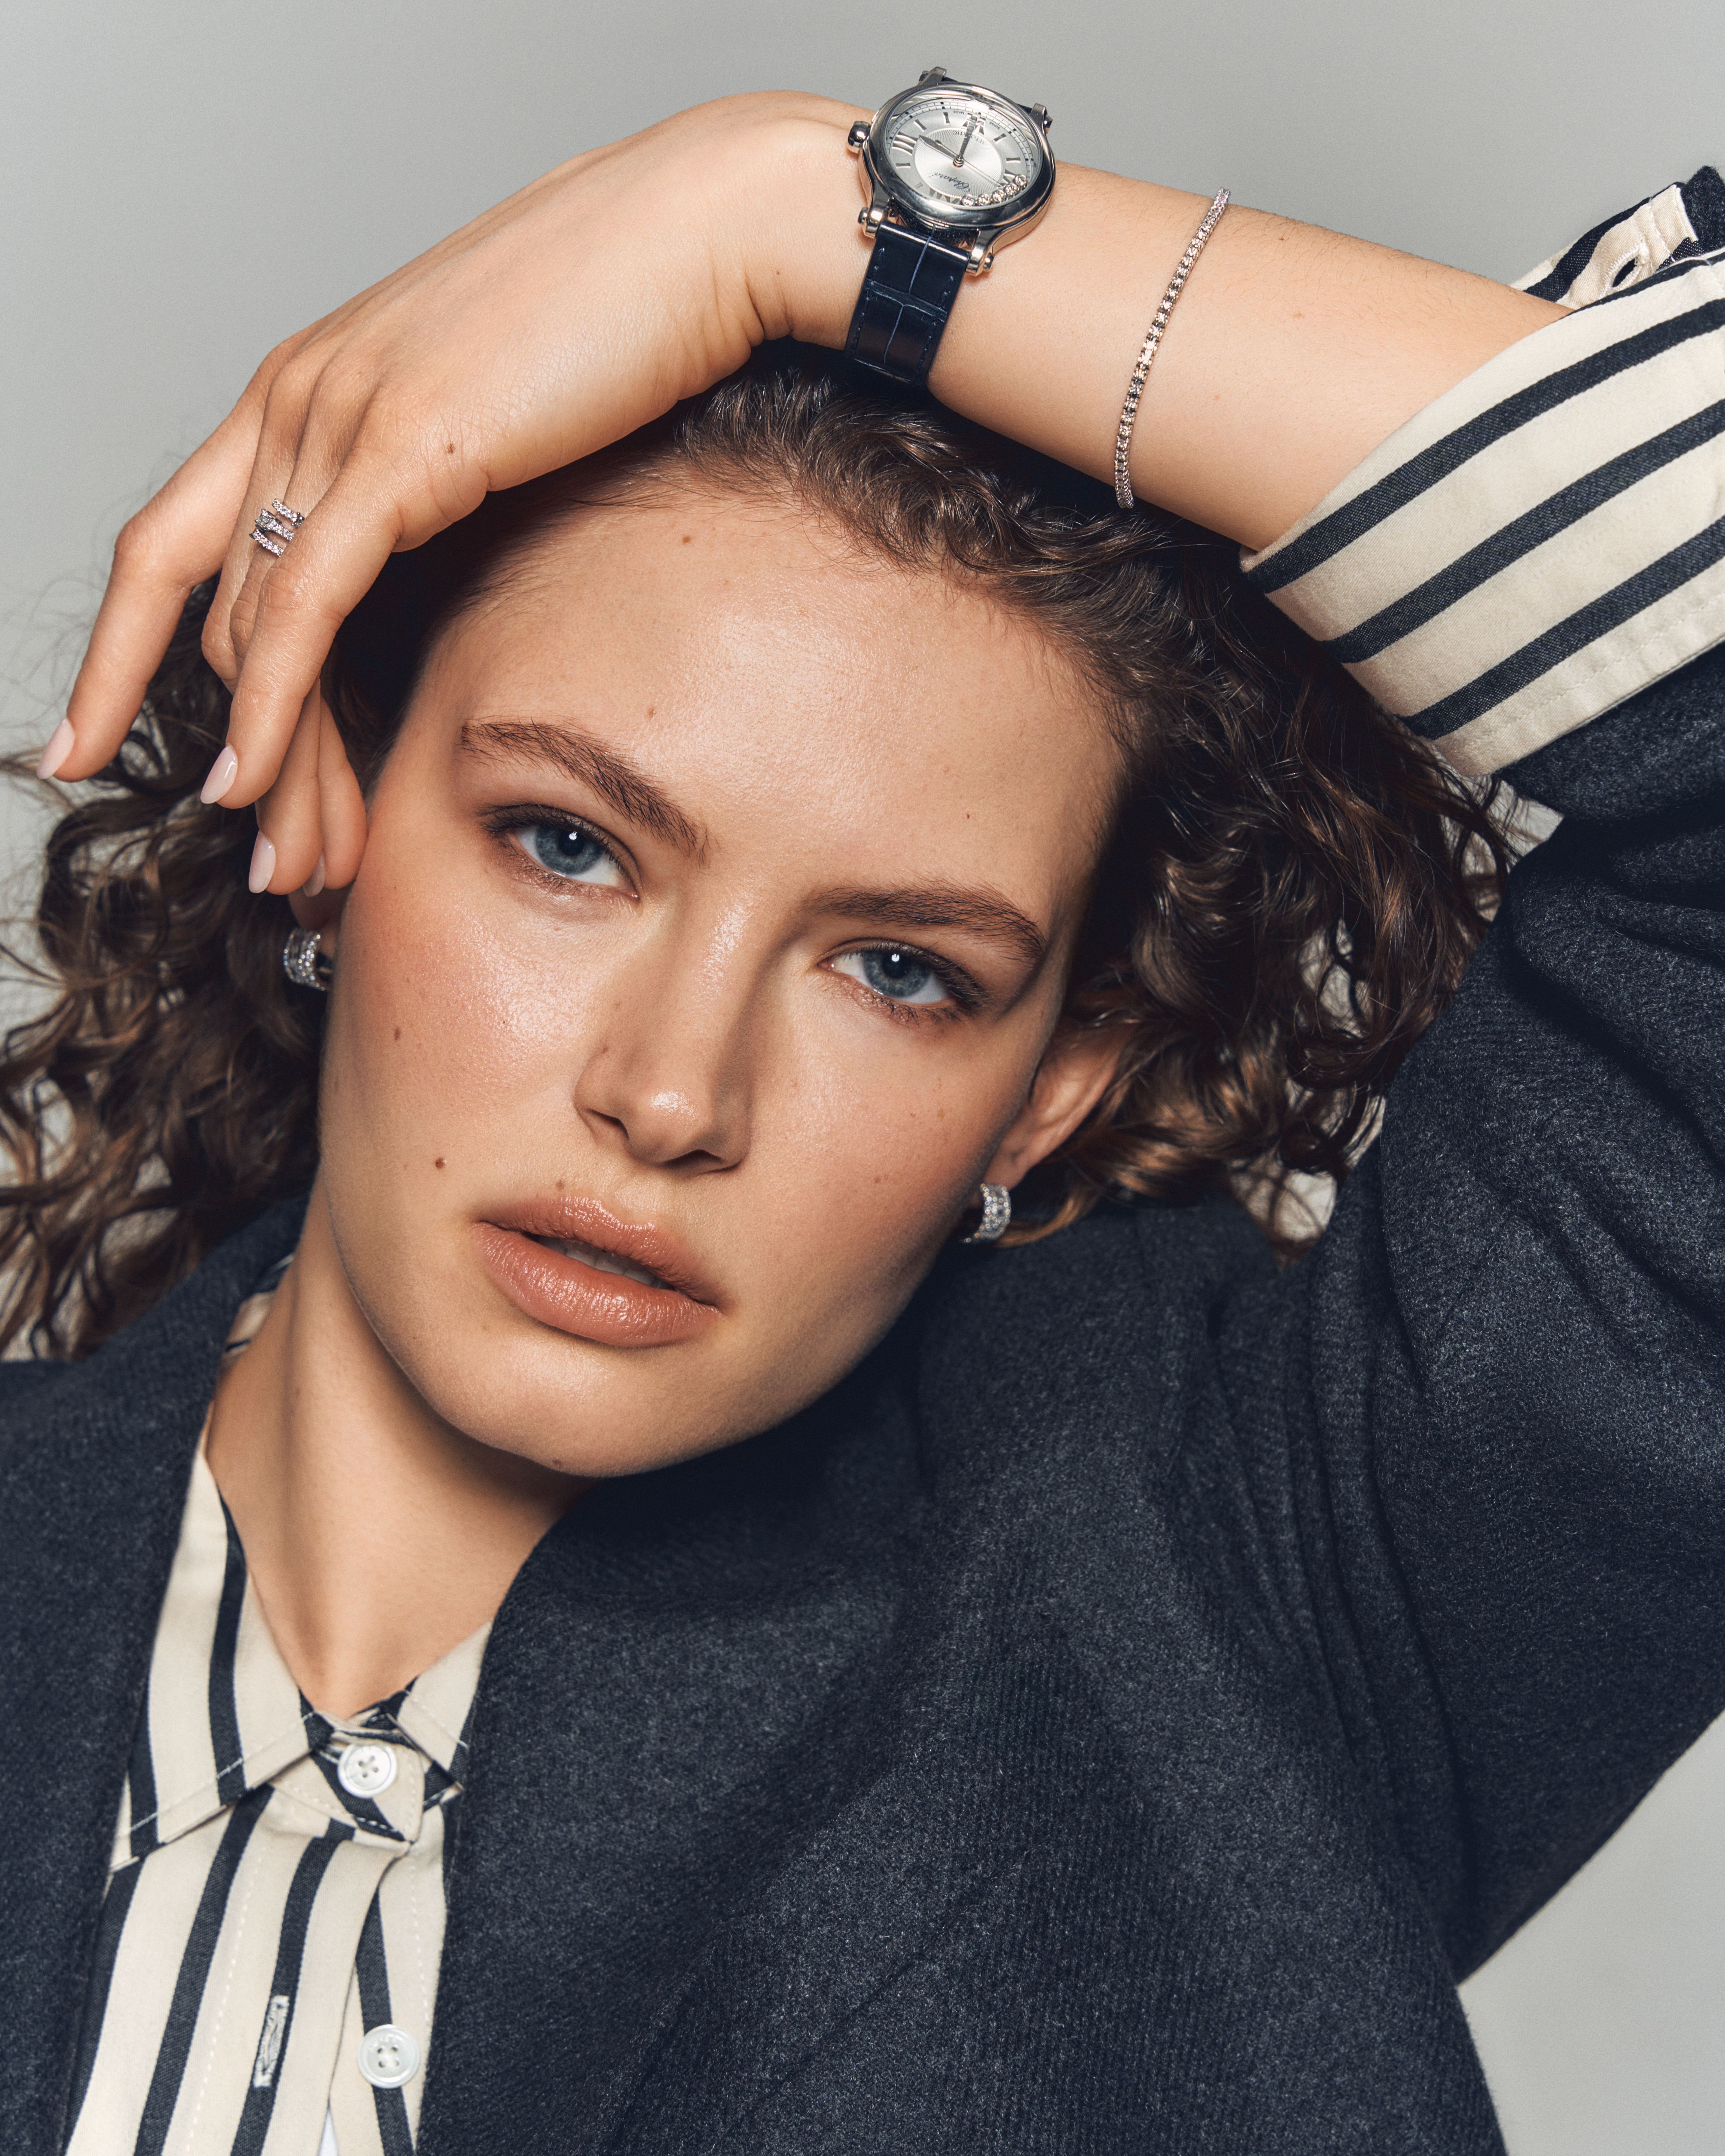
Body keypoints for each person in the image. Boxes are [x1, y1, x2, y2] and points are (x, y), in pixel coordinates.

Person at [1, 80, 1721, 2156]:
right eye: (568, 844)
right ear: (329, 812)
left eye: (899, 969)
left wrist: (799, 219)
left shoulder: (1232, 1607)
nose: (669, 1095)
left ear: (1053, 1077)